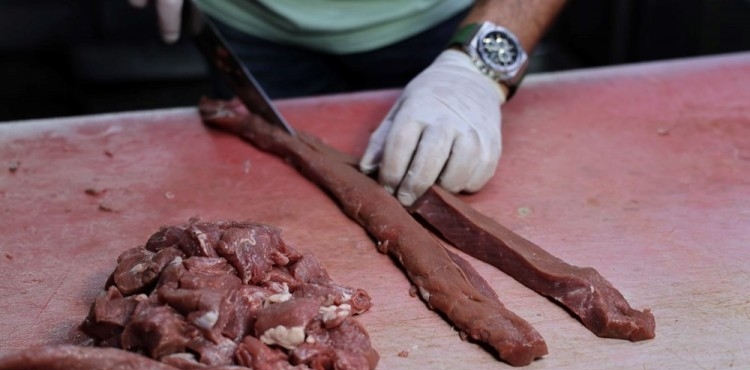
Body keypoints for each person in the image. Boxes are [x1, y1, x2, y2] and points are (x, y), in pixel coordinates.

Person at [130, 0, 567, 205]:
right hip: (244, 26)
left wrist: (477, 66)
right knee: (271, 196)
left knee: (428, 186)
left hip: (447, 25)